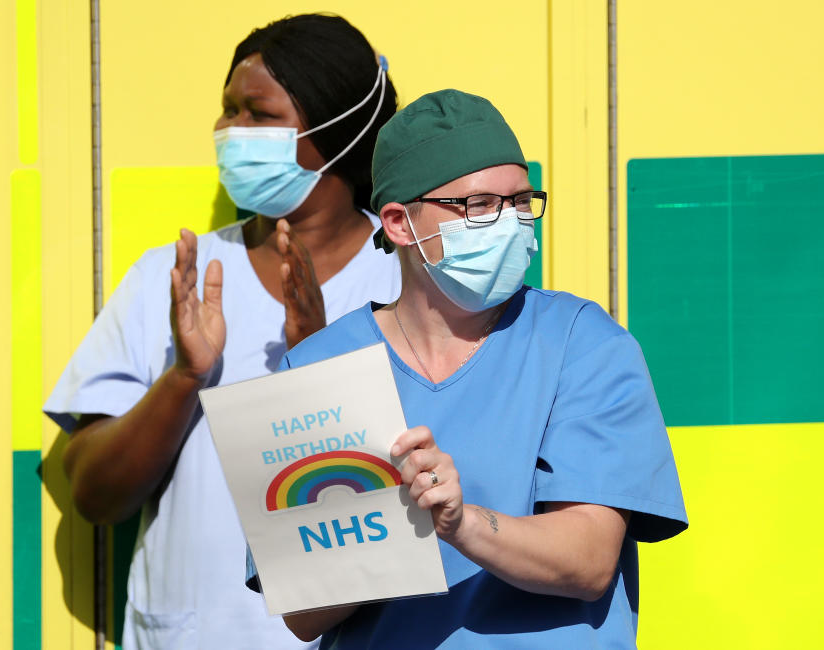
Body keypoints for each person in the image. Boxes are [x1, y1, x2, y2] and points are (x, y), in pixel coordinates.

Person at [265, 89, 688, 649]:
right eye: (480, 205)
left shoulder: (581, 343)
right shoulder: (320, 367)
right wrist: (382, 521)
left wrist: (459, 523)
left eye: (520, 202)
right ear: (398, 223)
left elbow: (588, 561)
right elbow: (303, 613)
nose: (510, 222)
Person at [43, 14, 400, 650]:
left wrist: (315, 363)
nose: (229, 132)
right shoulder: (171, 277)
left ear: (337, 131)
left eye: (257, 115)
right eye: (226, 110)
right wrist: (184, 378)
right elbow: (94, 494)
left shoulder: (408, 282)